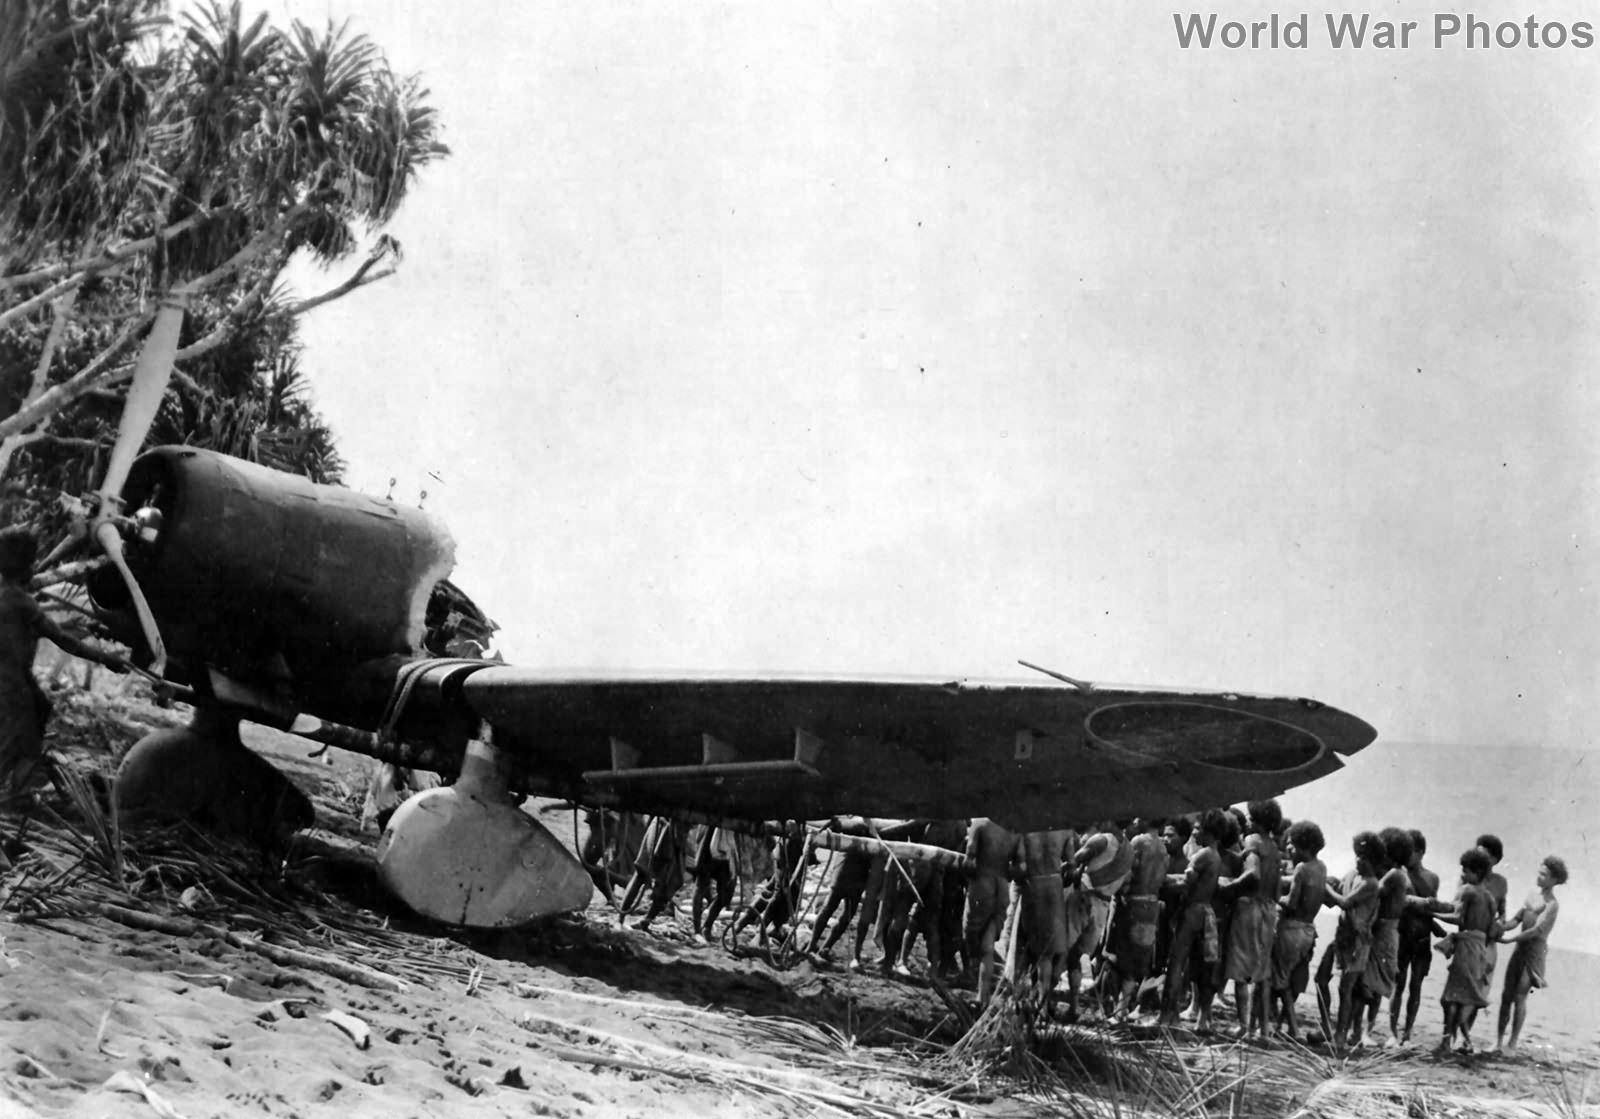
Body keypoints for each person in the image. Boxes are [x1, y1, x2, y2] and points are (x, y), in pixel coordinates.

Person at [0, 528, 128, 799]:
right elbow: (63, 640)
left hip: (16, 680)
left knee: (41, 708)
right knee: (20, 742)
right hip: (12, 686)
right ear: (27, 566)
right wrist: (106, 658)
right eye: (34, 563)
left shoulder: (8, 597)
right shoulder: (22, 603)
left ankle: (22, 788)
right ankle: (17, 799)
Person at [1220, 800, 1283, 1039]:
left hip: (1249, 907)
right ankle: (1263, 1028)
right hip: (1269, 909)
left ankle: (1244, 1026)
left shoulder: (1252, 841)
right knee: (1262, 972)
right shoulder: (1275, 849)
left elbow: (1253, 873)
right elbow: (1277, 892)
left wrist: (1231, 887)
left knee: (1240, 968)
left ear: (1256, 819)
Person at [1159, 808, 1225, 1033]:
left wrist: (1160, 881)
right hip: (1205, 912)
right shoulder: (1216, 856)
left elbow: (1185, 883)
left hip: (1192, 912)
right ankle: (1204, 1019)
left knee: (1176, 963)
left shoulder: (1202, 854)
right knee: (1200, 968)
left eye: (1198, 827)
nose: (1195, 831)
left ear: (1208, 830)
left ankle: (1169, 1016)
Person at [1494, 854, 1567, 1054]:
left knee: (1520, 996)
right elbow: (1516, 920)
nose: (1540, 877)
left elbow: (1536, 931)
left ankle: (1512, 1044)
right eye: (1539, 873)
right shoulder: (1531, 895)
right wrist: (1500, 927)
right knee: (1506, 995)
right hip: (1520, 949)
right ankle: (1499, 1042)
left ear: (1554, 880)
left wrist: (1509, 940)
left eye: (1544, 875)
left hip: (1535, 953)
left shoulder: (1552, 904)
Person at [1431, 846, 1498, 1055]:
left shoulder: (1467, 890)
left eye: (1466, 870)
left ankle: (1446, 1042)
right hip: (1481, 948)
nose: (1462, 874)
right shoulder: (1490, 897)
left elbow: (1457, 917)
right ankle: (1462, 1041)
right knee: (1465, 998)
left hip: (1466, 946)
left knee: (1450, 997)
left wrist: (1431, 913)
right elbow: (1491, 928)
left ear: (1476, 873)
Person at [1063, 820, 1132, 1022]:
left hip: (1085, 899)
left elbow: (1074, 861)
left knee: (1064, 951)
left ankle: (1048, 1005)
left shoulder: (1101, 839)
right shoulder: (1128, 849)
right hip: (1103, 906)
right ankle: (1073, 1005)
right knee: (1076, 955)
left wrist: (1072, 872)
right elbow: (1125, 883)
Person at [1320, 831, 1383, 1050]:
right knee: (1321, 979)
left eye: (1364, 857)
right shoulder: (1351, 875)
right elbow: (1337, 897)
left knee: (1345, 989)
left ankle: (1340, 1035)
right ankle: (1327, 1027)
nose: (1359, 860)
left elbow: (1346, 902)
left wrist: (1324, 885)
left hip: (1358, 943)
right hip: (1342, 935)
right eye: (1358, 855)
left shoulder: (1371, 883)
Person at [1105, 817, 1169, 1020]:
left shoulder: (1139, 842)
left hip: (1133, 903)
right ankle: (1123, 1009)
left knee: (1122, 957)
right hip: (1151, 905)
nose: (1136, 821)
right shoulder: (1163, 848)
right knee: (1137, 958)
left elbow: (1128, 873)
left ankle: (1120, 1010)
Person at [1271, 819, 1327, 1040]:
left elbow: (1292, 902)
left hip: (1292, 928)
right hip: (1308, 930)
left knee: (1280, 978)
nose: (1288, 848)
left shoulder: (1302, 869)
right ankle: (1280, 1025)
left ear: (1304, 846)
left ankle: (1293, 1029)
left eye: (1292, 844)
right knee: (1290, 979)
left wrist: (1275, 895)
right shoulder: (1321, 867)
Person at [1358, 827, 1414, 1045]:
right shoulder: (1403, 875)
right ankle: (1366, 1030)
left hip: (1383, 930)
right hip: (1390, 931)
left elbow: (1374, 891)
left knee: (1371, 981)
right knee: (1377, 982)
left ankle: (1364, 1031)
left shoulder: (1393, 875)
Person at [1390, 828, 1440, 1044]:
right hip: (1402, 934)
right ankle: (1392, 1032)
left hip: (1422, 938)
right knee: (1397, 985)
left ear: (1420, 852)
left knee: (1416, 987)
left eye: (1409, 851)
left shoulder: (1432, 878)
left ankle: (1408, 1033)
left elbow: (1430, 910)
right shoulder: (1398, 874)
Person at [1014, 827, 1071, 1014]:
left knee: (1030, 945)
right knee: (1048, 951)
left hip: (1034, 886)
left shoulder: (1026, 829)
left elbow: (1021, 866)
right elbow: (1072, 864)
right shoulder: (1064, 829)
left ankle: (1027, 997)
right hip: (1054, 887)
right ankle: (1043, 1002)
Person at [963, 817, 1017, 1008]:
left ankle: (971, 976)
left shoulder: (981, 824)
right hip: (1002, 887)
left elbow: (969, 859)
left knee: (971, 934)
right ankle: (981, 996)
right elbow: (1020, 867)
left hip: (982, 884)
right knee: (988, 943)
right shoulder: (1014, 830)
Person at [1465, 834, 1508, 1036]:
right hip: (1469, 941)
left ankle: (1464, 1039)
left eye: (1483, 855)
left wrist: (1500, 923)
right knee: (1460, 991)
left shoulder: (1501, 883)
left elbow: (1503, 911)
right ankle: (1453, 1036)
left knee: (1479, 994)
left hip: (1489, 944)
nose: (1477, 857)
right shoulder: (1467, 877)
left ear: (1494, 860)